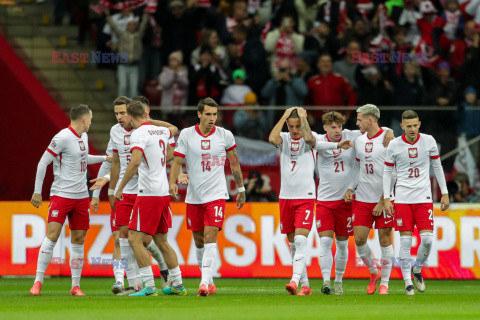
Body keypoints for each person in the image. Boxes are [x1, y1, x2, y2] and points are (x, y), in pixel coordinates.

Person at [90, 96, 178, 295]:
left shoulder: (148, 131)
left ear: (131, 114)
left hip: (146, 192)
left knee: (145, 240)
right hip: (125, 192)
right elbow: (114, 162)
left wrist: (161, 166)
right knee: (124, 238)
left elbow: (171, 153)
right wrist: (108, 190)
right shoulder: (115, 131)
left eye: (123, 113)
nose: (120, 117)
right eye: (117, 114)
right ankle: (135, 284)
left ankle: (161, 271)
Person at [268, 107, 352, 296]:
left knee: (300, 239)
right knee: (292, 244)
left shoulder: (311, 136)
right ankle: (305, 285)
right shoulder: (284, 138)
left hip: (305, 196)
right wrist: (283, 116)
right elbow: (272, 139)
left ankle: (294, 280)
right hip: (285, 197)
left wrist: (304, 119)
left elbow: (309, 140)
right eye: (292, 126)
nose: (295, 130)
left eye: (298, 126)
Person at [30, 105, 111, 296]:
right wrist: (37, 191)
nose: (92, 121)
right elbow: (43, 162)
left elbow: (83, 158)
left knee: (78, 240)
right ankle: (37, 282)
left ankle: (75, 286)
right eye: (90, 118)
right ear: (84, 119)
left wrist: (105, 158)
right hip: (61, 194)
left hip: (82, 196)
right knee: (52, 236)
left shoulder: (83, 136)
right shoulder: (62, 137)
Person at [169, 97, 246, 296]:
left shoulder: (224, 135)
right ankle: (210, 282)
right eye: (208, 114)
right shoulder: (186, 134)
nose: (212, 118)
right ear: (199, 114)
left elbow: (234, 163)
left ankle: (203, 283)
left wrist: (241, 189)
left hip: (217, 194)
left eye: (215, 114)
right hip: (194, 196)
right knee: (199, 240)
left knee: (211, 235)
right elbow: (177, 161)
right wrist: (173, 181)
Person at [315, 111, 393, 295]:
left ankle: (343, 282)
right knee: (330, 241)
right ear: (325, 127)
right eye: (333, 127)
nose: (337, 130)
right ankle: (327, 281)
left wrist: (389, 130)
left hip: (350, 200)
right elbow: (312, 143)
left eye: (339, 126)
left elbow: (377, 130)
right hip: (328, 200)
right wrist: (336, 145)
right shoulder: (319, 139)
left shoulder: (353, 136)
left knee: (348, 243)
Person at [114, 101, 185, 296]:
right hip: (162, 193)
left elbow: (135, 162)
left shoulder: (138, 134)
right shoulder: (159, 131)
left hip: (148, 193)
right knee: (162, 241)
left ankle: (149, 286)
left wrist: (119, 187)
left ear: (130, 116)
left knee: (134, 239)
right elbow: (174, 128)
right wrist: (152, 121)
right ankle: (178, 284)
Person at [383, 110, 449, 295]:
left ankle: (417, 269)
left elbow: (437, 166)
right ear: (402, 126)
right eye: (408, 126)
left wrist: (444, 193)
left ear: (419, 124)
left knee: (427, 239)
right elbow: (387, 172)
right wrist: (387, 197)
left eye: (415, 125)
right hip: (403, 198)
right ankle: (407, 284)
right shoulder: (395, 145)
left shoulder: (428, 141)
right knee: (405, 241)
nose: (412, 129)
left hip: (423, 197)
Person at [345, 104, 395, 295]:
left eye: (359, 120)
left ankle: (385, 283)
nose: (357, 123)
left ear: (370, 120)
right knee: (359, 239)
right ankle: (374, 272)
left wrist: (384, 199)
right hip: (363, 197)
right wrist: (351, 187)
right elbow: (357, 168)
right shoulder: (359, 141)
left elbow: (395, 173)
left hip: (385, 198)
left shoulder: (389, 140)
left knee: (384, 240)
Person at [105, 7, 149, 98]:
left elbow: (144, 24)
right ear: (126, 26)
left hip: (134, 65)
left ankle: (132, 109)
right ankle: (120, 107)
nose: (131, 26)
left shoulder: (138, 35)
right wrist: (108, 15)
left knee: (134, 89)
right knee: (123, 86)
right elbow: (113, 26)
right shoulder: (122, 35)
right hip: (123, 65)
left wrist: (146, 14)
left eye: (133, 25)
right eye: (129, 25)